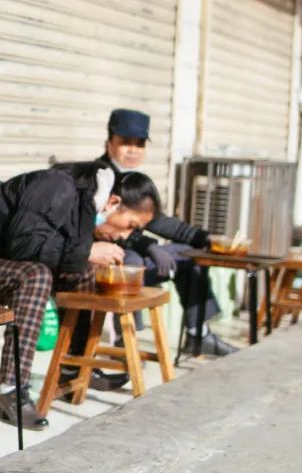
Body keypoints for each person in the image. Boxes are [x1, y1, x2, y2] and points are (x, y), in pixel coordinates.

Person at [0, 160, 163, 424]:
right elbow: (23, 245)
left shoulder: (84, 202)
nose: (125, 235)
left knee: (81, 272)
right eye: (130, 225)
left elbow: (56, 252)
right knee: (36, 276)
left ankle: (73, 367)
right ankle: (12, 388)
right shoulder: (57, 186)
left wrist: (84, 256)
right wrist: (87, 251)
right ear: (113, 202)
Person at [98, 108, 234, 359]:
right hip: (102, 259)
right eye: (125, 142)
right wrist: (149, 246)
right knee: (132, 261)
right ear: (109, 143)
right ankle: (125, 343)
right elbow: (106, 227)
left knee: (189, 254)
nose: (132, 150)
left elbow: (157, 221)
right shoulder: (100, 178)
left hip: (131, 254)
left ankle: (198, 333)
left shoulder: (135, 179)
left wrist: (203, 238)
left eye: (139, 144)